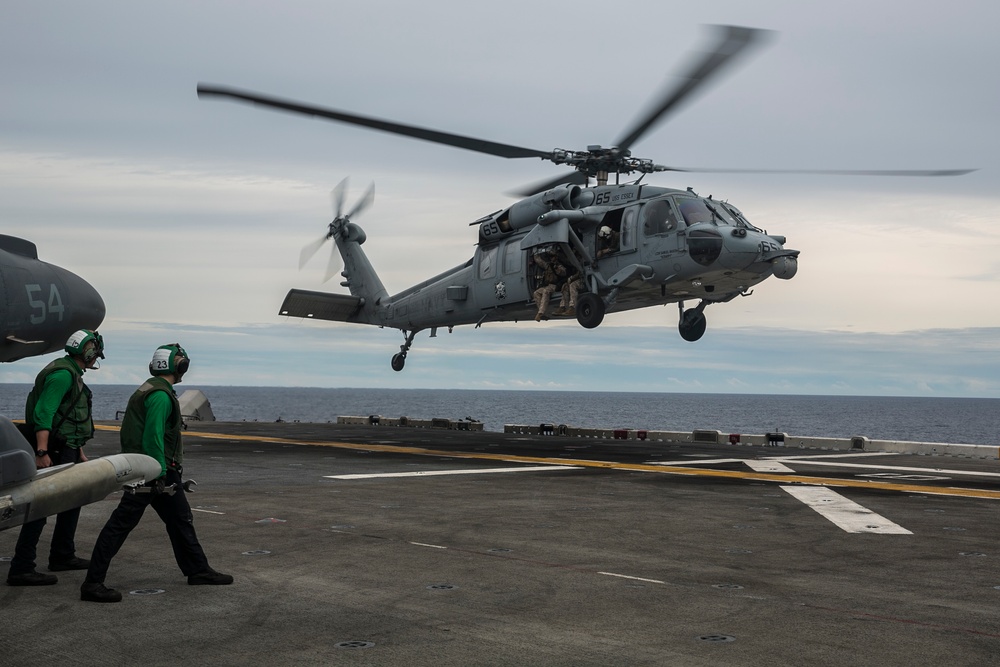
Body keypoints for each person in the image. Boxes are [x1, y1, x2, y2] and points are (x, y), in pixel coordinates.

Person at [80, 344, 232, 603]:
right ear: (178, 366)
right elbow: (153, 436)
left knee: (180, 519)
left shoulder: (149, 388)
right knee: (120, 525)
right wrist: (159, 472)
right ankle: (92, 583)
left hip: (157, 468)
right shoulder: (161, 396)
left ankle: (198, 570)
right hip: (152, 470)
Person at [7, 329, 104, 587]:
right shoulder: (63, 375)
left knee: (72, 502)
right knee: (41, 506)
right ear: (89, 351)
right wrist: (41, 451)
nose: (96, 358)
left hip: (66, 448)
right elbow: (44, 412)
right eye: (96, 353)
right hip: (54, 450)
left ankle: (63, 555)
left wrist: (79, 450)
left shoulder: (70, 371)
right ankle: (21, 568)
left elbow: (69, 416)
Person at [532, 247, 567, 322]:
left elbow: (564, 273)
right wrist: (535, 253)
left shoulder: (559, 265)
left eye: (553, 257)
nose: (552, 259)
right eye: (551, 257)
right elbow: (539, 261)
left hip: (556, 285)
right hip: (548, 285)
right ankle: (542, 312)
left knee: (546, 291)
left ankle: (540, 313)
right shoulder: (548, 266)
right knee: (536, 293)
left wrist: (557, 268)